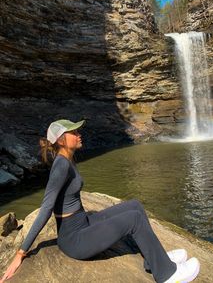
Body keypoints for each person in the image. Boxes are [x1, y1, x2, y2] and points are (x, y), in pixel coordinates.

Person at [0, 119, 200, 283]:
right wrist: (21, 253)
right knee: (133, 219)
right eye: (74, 132)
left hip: (82, 223)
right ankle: (167, 275)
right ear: (61, 140)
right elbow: (46, 208)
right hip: (75, 240)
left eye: (78, 131)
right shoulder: (61, 165)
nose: (80, 134)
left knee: (135, 206)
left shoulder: (69, 159)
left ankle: (154, 260)